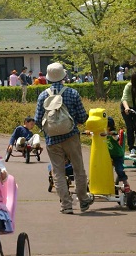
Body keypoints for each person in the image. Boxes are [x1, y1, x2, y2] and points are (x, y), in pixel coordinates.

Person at [35, 62, 94, 215]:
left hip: (52, 140)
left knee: (58, 172)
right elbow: (82, 116)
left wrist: (47, 130)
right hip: (71, 136)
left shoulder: (43, 96)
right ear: (63, 76)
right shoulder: (72, 93)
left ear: (48, 78)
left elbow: (37, 120)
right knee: (78, 168)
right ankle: (83, 200)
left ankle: (66, 205)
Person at [103, 117, 130, 193]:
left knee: (119, 169)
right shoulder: (101, 133)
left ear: (109, 126)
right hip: (107, 156)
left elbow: (116, 136)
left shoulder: (113, 134)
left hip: (117, 156)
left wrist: (108, 133)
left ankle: (125, 183)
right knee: (102, 170)